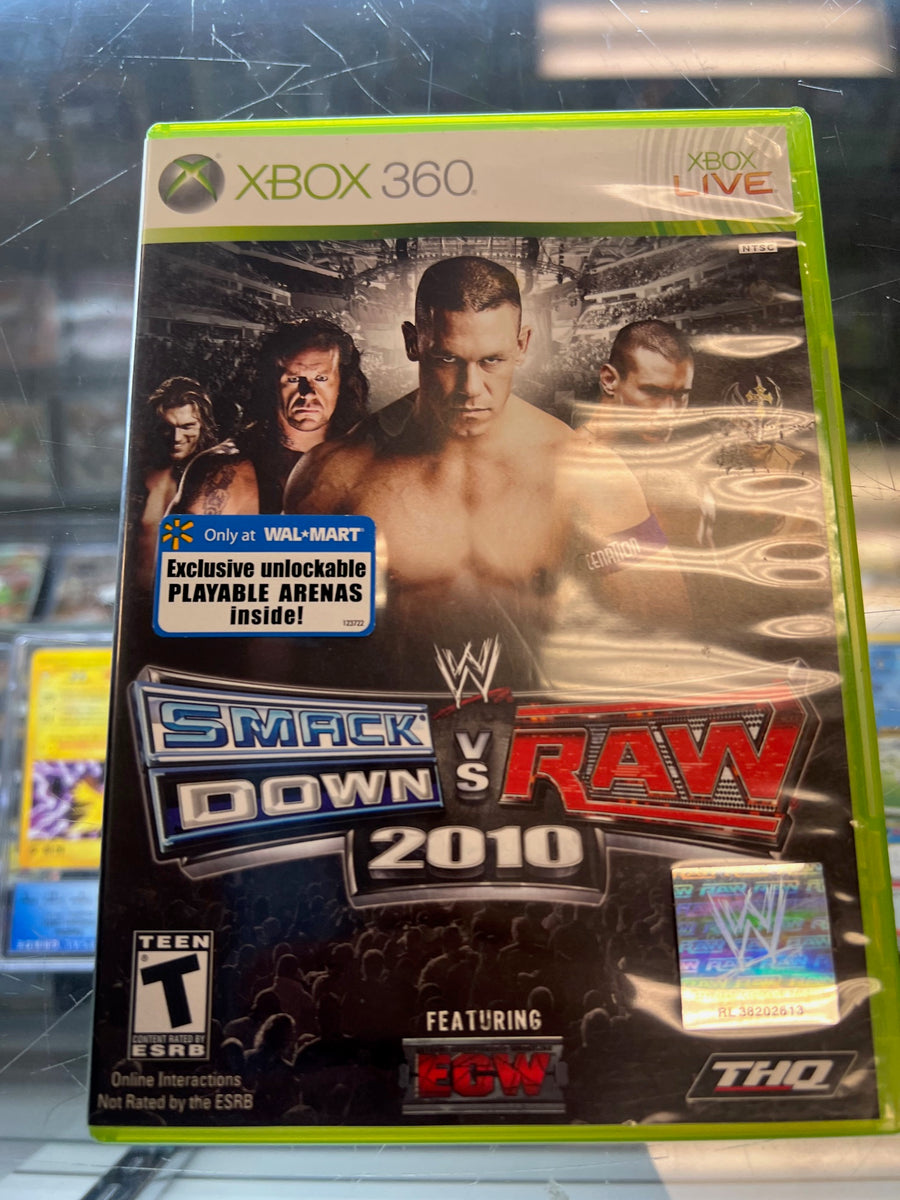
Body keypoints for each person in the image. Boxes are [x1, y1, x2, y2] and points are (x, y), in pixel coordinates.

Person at [284, 257, 690, 687]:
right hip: (397, 720)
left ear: (522, 344)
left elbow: (662, 638)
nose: (470, 389)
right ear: (412, 342)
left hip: (536, 720)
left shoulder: (588, 474)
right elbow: (300, 659)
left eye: (492, 360)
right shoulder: (335, 477)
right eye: (447, 358)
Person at [170, 318, 368, 515]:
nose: (307, 393)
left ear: (342, 384)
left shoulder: (367, 465)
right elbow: (176, 535)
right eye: (293, 379)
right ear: (271, 384)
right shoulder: (223, 472)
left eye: (321, 378)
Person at [137, 376, 217, 585]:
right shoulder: (143, 476)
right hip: (141, 594)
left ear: (204, 426)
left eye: (187, 426)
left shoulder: (217, 479)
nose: (176, 438)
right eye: (167, 427)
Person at [596, 320, 694, 444]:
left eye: (680, 395)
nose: (667, 414)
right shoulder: (578, 452)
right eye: (653, 392)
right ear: (609, 380)